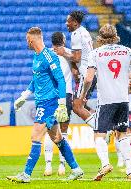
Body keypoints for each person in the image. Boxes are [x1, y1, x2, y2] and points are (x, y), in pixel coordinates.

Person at [6, 27, 83, 183]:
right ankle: (76, 169)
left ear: (31, 40)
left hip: (49, 102)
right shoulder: (36, 56)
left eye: (27, 39)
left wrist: (61, 103)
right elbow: (36, 79)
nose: (26, 42)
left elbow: (60, 79)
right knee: (57, 137)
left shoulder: (49, 56)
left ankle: (26, 174)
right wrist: (24, 95)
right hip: (42, 101)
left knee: (35, 135)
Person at [80, 24, 131, 181]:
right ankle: (129, 171)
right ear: (116, 36)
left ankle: (106, 164)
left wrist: (83, 95)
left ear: (100, 38)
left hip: (106, 100)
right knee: (123, 134)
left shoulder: (95, 53)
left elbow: (88, 78)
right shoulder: (127, 51)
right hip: (123, 100)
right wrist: (123, 77)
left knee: (99, 135)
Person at [55, 10, 96, 129]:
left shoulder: (76, 34)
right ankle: (98, 122)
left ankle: (99, 128)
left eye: (68, 21)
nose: (66, 24)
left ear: (75, 23)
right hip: (91, 71)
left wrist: (64, 53)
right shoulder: (84, 32)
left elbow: (77, 58)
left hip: (86, 74)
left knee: (77, 107)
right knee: (79, 105)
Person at [43, 32, 73, 176]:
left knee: (50, 130)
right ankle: (62, 166)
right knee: (64, 131)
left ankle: (48, 166)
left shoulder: (46, 53)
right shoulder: (69, 53)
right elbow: (77, 71)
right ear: (63, 40)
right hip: (65, 94)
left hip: (50, 95)